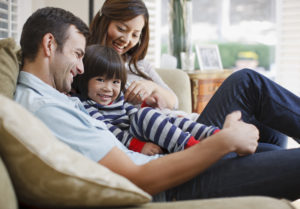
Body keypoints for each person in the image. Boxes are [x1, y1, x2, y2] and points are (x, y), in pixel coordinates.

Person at [14, 6, 300, 201]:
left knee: (251, 96)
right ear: (50, 45)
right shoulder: (45, 109)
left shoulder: (52, 97)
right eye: (77, 54)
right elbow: (138, 178)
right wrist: (222, 142)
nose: (80, 68)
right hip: (174, 183)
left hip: (169, 154)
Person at [88, 0, 290, 147]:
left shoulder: (138, 64)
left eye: (135, 34)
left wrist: (153, 87)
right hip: (180, 136)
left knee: (272, 134)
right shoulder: (89, 66)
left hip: (192, 121)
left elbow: (173, 101)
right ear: (103, 20)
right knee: (245, 80)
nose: (126, 39)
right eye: (121, 28)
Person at [72, 44, 220, 155]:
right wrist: (137, 145)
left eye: (115, 82)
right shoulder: (86, 105)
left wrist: (146, 106)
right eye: (100, 80)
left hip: (140, 131)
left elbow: (132, 113)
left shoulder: (118, 100)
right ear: (84, 80)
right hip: (129, 139)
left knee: (166, 118)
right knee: (145, 115)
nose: (108, 88)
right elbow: (108, 129)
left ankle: (211, 135)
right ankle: (192, 147)